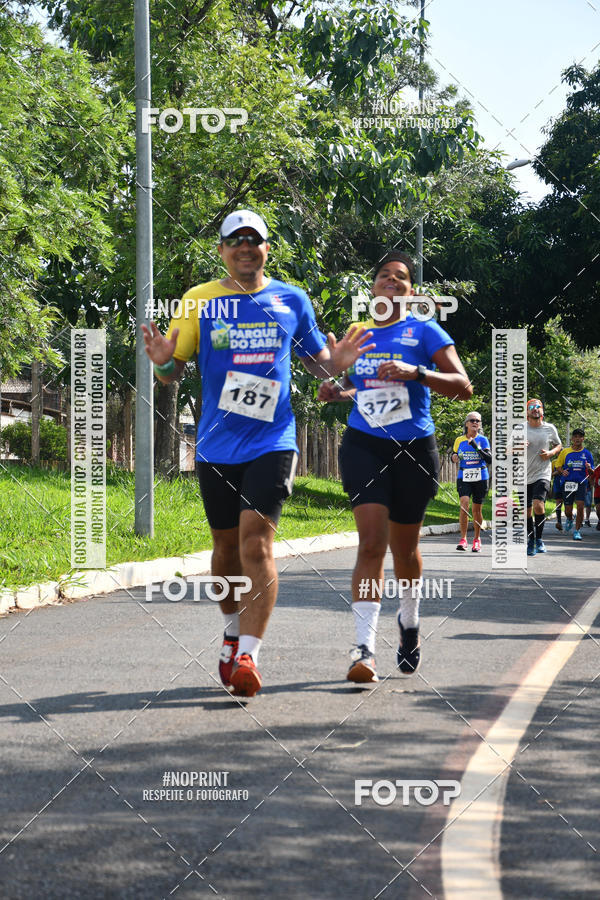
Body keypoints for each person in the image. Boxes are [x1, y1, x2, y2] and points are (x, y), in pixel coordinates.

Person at [142, 209, 373, 697]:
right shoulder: (199, 300)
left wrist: (340, 370)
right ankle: (231, 631)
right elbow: (172, 371)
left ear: (268, 248)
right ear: (223, 250)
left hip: (274, 441)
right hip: (216, 445)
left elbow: (318, 363)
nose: (246, 248)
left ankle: (249, 652)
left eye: (255, 240)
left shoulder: (292, 300)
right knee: (225, 549)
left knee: (256, 543)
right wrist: (163, 366)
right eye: (236, 240)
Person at [318, 251, 472, 683]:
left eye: (400, 277)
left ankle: (409, 621)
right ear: (372, 288)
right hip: (364, 445)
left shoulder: (425, 330)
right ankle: (363, 648)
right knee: (370, 544)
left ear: (411, 292)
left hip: (413, 449)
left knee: (404, 550)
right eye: (383, 274)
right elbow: (357, 386)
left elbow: (463, 386)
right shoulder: (358, 333)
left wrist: (416, 372)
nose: (390, 280)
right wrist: (336, 388)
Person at [524, 399, 562, 557]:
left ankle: (538, 539)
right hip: (524, 475)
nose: (535, 409)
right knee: (527, 511)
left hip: (543, 473)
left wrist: (551, 454)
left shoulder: (549, 428)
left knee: (538, 505)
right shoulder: (520, 429)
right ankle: (530, 540)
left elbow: (558, 445)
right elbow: (507, 449)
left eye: (538, 407)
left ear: (542, 411)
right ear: (527, 412)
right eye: (531, 407)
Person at [451, 412, 492, 552]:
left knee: (476, 509)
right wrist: (454, 457)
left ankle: (477, 539)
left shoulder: (483, 440)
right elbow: (455, 454)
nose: (475, 423)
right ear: (467, 423)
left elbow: (489, 459)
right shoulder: (459, 440)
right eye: (472, 420)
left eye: (478, 421)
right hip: (464, 475)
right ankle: (463, 539)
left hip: (481, 476)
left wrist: (475, 445)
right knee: (464, 504)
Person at [556, 429, 594, 541]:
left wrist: (589, 468)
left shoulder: (587, 453)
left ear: (583, 439)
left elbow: (592, 472)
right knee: (568, 509)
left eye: (580, 437)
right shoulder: (565, 452)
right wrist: (562, 471)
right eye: (575, 436)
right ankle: (569, 518)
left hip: (582, 483)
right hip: (568, 483)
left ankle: (577, 531)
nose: (578, 438)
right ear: (572, 438)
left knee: (580, 506)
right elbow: (558, 465)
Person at [551, 456, 564, 531]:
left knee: (568, 504)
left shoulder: (567, 461)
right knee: (558, 502)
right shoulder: (554, 462)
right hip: (557, 485)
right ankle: (559, 522)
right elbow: (550, 474)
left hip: (566, 484)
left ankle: (570, 518)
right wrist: (557, 472)